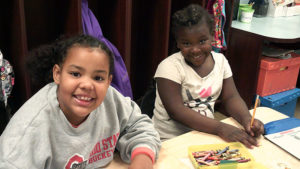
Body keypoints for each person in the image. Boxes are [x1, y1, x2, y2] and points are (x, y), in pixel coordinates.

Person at [0, 34, 161, 169]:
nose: (87, 85)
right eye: (76, 74)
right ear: (57, 74)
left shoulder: (110, 99)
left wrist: (142, 160)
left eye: (98, 78)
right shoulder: (29, 130)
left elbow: (139, 126)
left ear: (108, 81)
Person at [152, 4, 264, 148]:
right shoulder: (169, 67)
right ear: (178, 43)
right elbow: (176, 111)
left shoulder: (221, 62)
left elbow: (231, 97)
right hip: (169, 140)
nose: (195, 49)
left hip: (206, 134)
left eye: (202, 41)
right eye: (186, 43)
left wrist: (247, 119)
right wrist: (220, 128)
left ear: (212, 36)